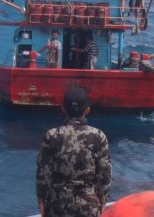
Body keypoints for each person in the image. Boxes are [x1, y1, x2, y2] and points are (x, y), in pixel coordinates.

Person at [36, 86, 111, 217]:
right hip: (88, 207)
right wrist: (103, 200)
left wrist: (42, 199)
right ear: (87, 110)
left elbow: (44, 174)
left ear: (63, 109)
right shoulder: (99, 136)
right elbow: (104, 174)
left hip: (58, 206)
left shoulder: (52, 135)